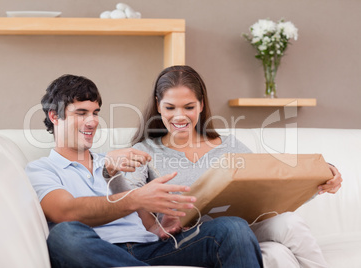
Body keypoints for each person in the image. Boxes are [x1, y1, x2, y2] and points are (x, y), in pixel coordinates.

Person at [25, 74, 263, 268]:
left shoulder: (115, 161)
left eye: (95, 113)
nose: (93, 121)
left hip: (151, 248)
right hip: (99, 250)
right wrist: (136, 197)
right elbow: (66, 212)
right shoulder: (41, 170)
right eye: (81, 113)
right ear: (54, 116)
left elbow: (146, 223)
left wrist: (161, 224)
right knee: (64, 236)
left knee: (233, 228)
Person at [129, 65, 343, 268]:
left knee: (291, 222)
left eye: (189, 107)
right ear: (158, 105)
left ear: (201, 105)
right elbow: (125, 197)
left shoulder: (229, 145)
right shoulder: (144, 151)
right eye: (170, 107)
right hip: (191, 236)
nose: (179, 116)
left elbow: (269, 182)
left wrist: (324, 175)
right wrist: (153, 224)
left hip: (245, 227)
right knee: (273, 253)